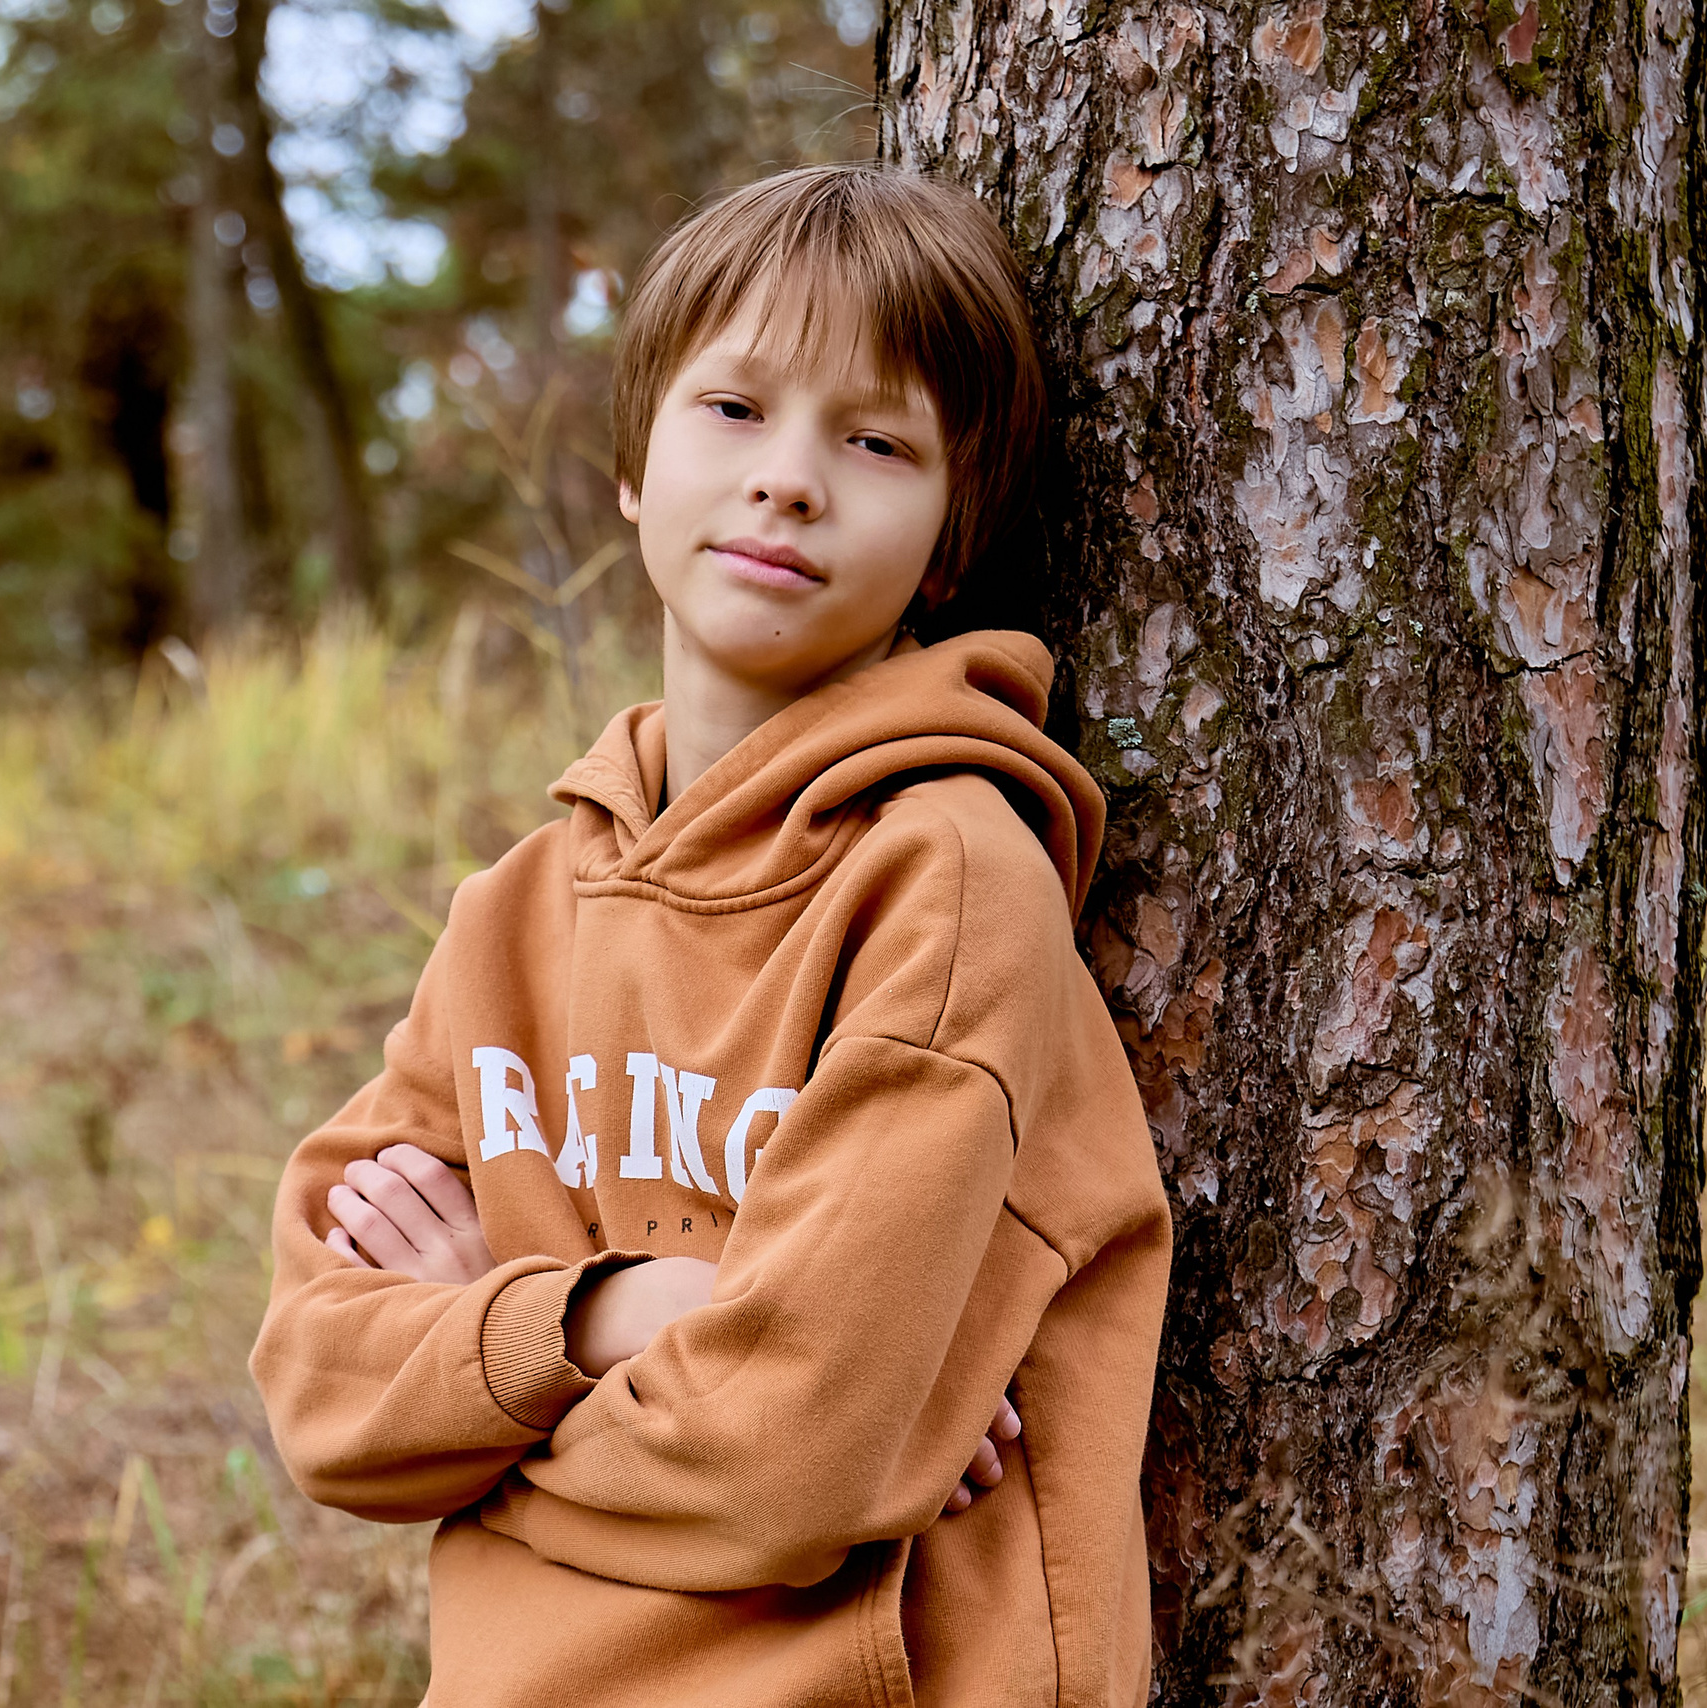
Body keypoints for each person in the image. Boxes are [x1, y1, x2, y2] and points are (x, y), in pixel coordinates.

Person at [251, 162, 1172, 1706]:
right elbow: (322, 1394)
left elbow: (786, 1464)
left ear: (950, 539)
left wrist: (481, 1405)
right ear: (633, 462)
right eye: (734, 409)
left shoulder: (941, 881)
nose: (791, 480)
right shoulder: (520, 914)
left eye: (875, 441)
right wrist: (602, 1314)